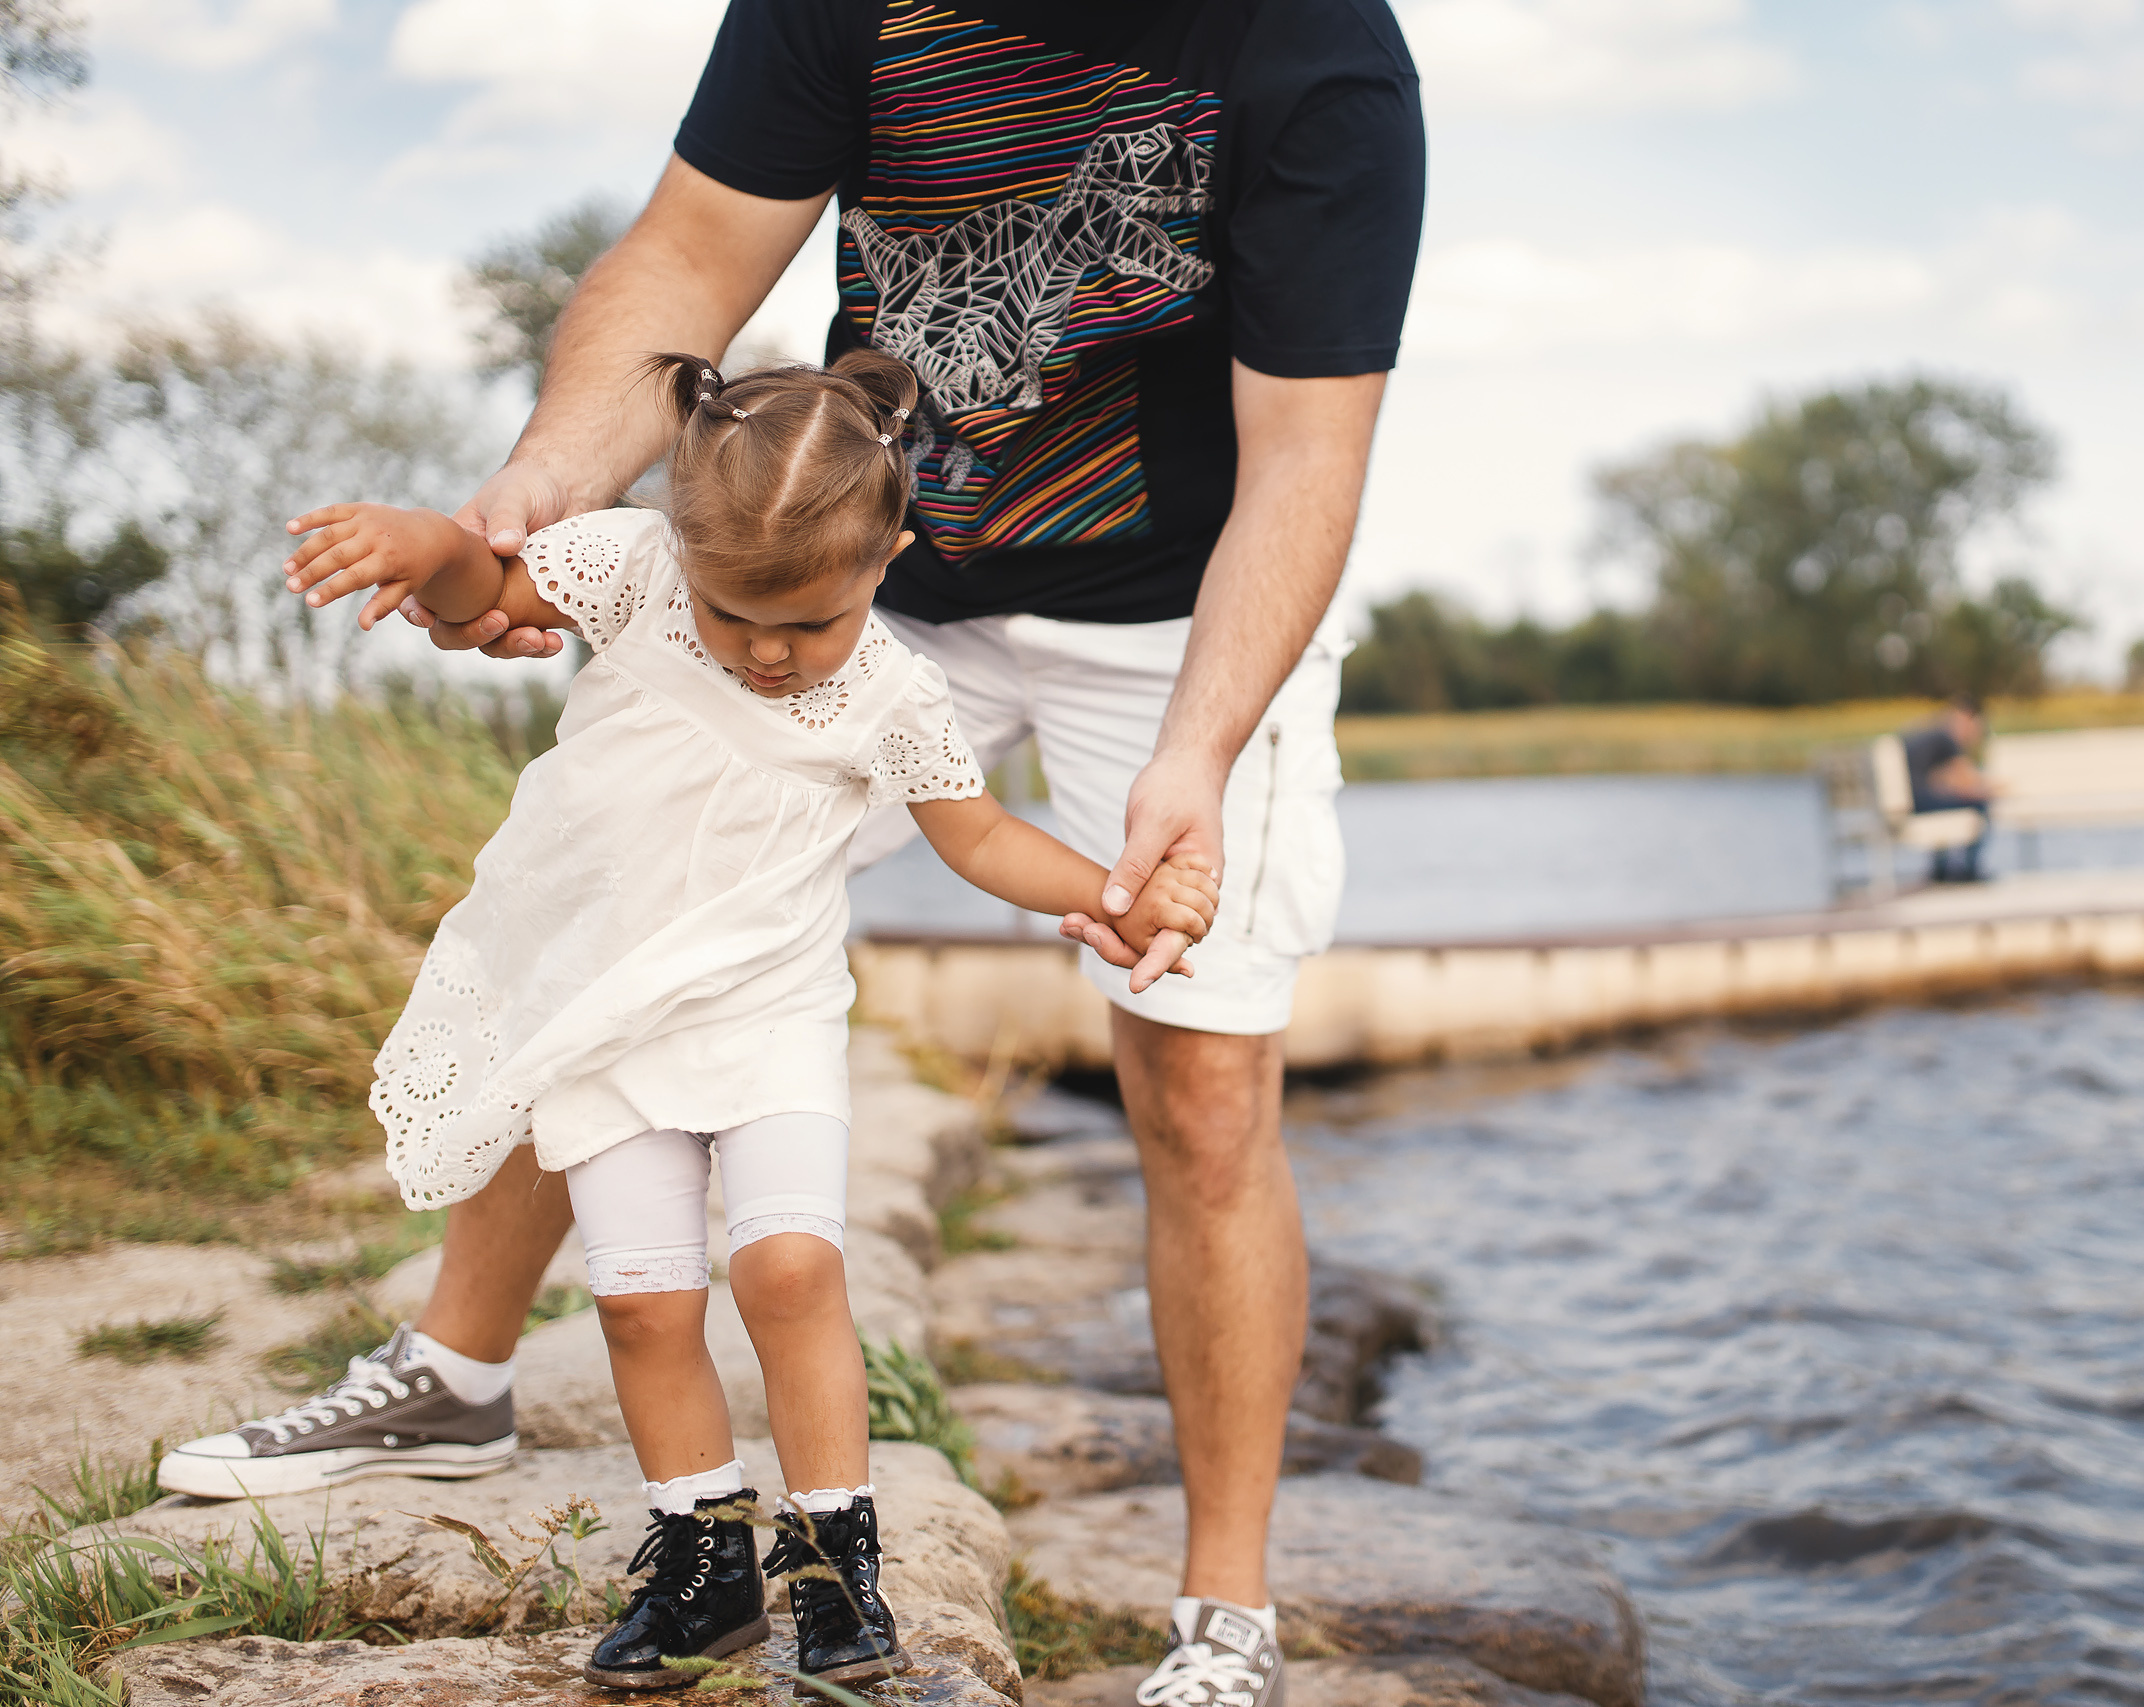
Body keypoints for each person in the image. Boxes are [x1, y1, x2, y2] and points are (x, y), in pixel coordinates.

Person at [161, 5, 1422, 1701]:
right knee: (620, 902)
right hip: (841, 578)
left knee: (1204, 1083)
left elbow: (1308, 458)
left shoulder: (1316, 54)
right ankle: (454, 1373)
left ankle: (1224, 1613)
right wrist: (530, 497)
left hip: (1175, 615)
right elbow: (691, 255)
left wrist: (1194, 755)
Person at [189, 350, 1217, 1694]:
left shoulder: (893, 690)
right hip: (609, 1019)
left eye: (811, 622)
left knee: (790, 1270)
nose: (770, 653)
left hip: (769, 1015)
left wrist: (1111, 895)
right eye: (736, 615)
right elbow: (483, 589)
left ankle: (836, 1566)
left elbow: (978, 837)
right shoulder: (632, 574)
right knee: (642, 1305)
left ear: (888, 557)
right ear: (682, 547)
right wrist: (426, 540)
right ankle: (702, 1563)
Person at [1901, 696, 1999, 883]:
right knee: (1980, 804)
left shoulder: (1929, 731)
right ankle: (1969, 869)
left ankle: (1941, 870)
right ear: (1966, 718)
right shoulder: (1945, 736)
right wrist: (1995, 788)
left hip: (1909, 798)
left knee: (1947, 804)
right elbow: (1967, 780)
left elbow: (1941, 780)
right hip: (1917, 799)